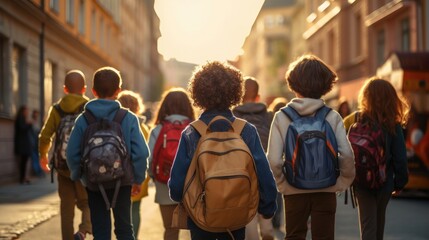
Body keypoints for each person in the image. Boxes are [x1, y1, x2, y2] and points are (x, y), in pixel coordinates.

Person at [168, 61, 277, 240]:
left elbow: (176, 187)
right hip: (237, 215)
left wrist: (182, 200)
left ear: (198, 94)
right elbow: (263, 173)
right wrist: (268, 207)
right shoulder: (246, 130)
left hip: (200, 217)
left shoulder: (192, 132)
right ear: (235, 93)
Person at [267, 54, 355, 240]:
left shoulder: (282, 117)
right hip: (326, 189)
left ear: (293, 84)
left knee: (294, 236)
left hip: (293, 190)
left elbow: (274, 160)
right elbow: (346, 154)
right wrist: (341, 182)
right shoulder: (332, 116)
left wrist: (284, 184)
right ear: (326, 85)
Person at [66, 67, 149, 240]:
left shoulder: (83, 119)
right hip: (123, 181)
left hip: (94, 183)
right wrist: (138, 179)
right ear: (118, 91)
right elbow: (141, 153)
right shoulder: (128, 118)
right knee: (125, 229)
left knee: (101, 230)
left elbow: (72, 153)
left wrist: (80, 176)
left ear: (93, 91)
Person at [343, 77, 409, 240]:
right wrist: (400, 183)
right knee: (379, 224)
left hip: (361, 183)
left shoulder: (355, 118)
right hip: (384, 182)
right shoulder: (393, 124)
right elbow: (400, 158)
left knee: (368, 225)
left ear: (365, 97)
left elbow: (342, 144)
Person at [38, 70, 92, 240]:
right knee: (88, 203)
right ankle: (83, 231)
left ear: (65, 89)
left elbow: (45, 136)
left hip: (63, 168)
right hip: (84, 168)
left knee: (66, 209)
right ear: (84, 89)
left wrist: (43, 156)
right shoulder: (89, 108)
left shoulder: (57, 109)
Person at [148, 88, 195, 240]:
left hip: (164, 183)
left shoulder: (158, 129)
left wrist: (153, 176)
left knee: (170, 229)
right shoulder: (195, 128)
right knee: (196, 228)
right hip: (191, 185)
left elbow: (150, 158)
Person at [232, 77, 274, 240]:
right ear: (258, 96)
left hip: (241, 169)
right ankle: (267, 231)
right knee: (266, 201)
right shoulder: (269, 115)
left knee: (248, 208)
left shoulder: (233, 116)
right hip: (266, 166)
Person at [117, 90, 151, 240]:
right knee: (135, 210)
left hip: (118, 173)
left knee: (120, 211)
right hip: (137, 174)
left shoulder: (115, 123)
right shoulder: (143, 127)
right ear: (138, 106)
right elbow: (145, 153)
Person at [267, 96, 288, 231]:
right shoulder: (288, 120)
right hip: (285, 163)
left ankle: (271, 219)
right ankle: (277, 221)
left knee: (272, 192)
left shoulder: (271, 121)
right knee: (280, 195)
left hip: (271, 162)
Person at [14, 105, 33, 184]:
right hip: (22, 145)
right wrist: (29, 124)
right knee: (23, 162)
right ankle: (22, 178)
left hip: (24, 145)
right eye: (26, 111)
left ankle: (24, 178)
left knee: (24, 162)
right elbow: (23, 129)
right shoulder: (20, 118)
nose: (27, 112)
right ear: (23, 111)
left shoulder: (22, 118)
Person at [30, 110, 44, 178]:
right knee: (35, 157)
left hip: (37, 142)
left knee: (38, 157)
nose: (37, 116)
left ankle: (39, 171)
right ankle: (37, 171)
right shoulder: (31, 122)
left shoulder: (37, 122)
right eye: (36, 114)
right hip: (33, 143)